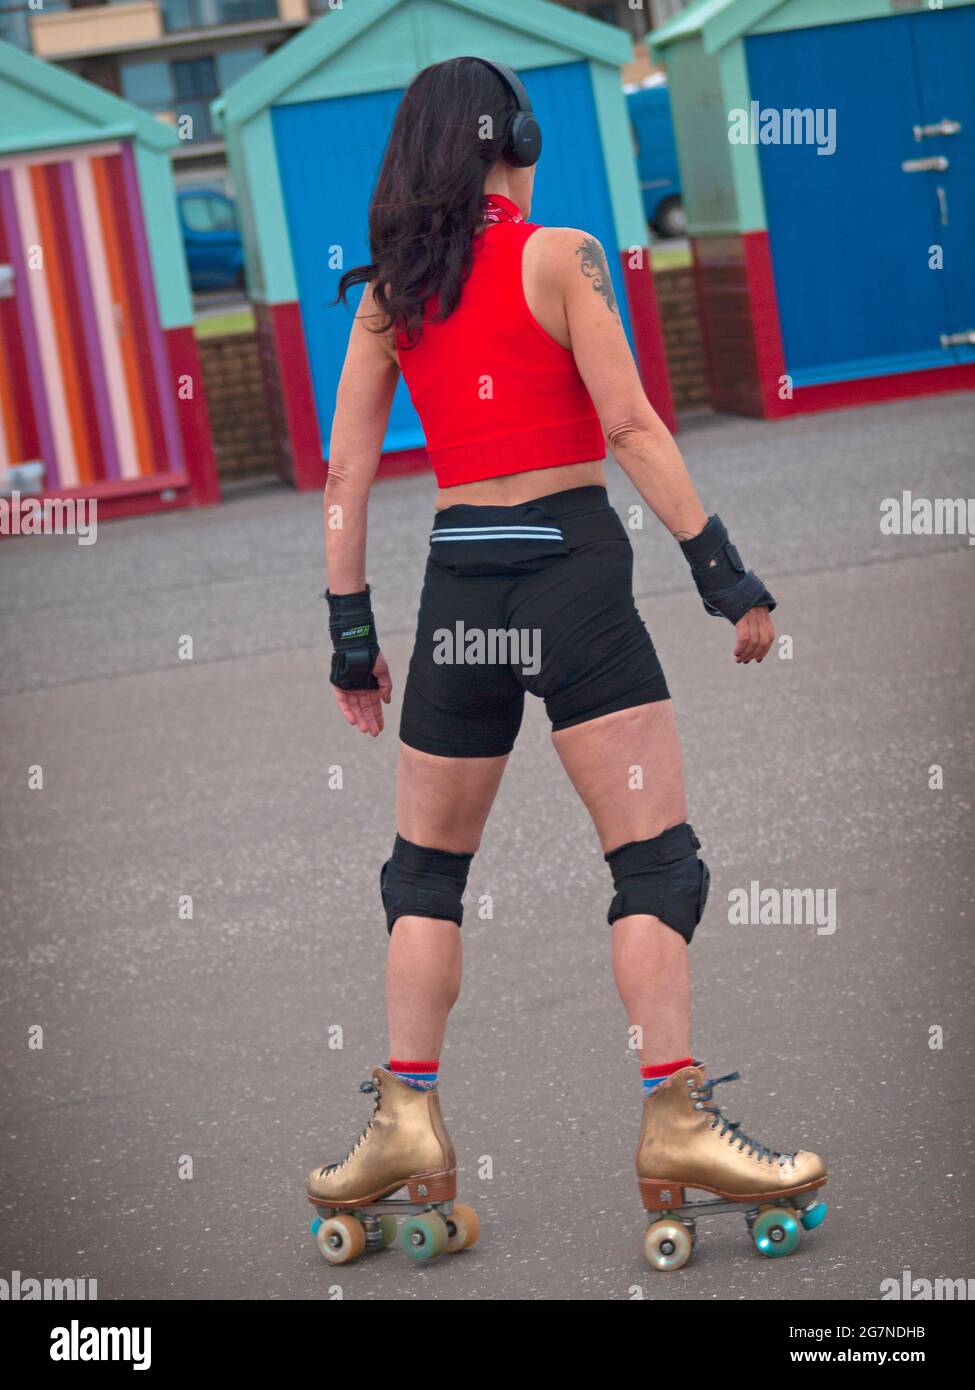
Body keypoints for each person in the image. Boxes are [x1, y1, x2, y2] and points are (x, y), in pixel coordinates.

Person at [307, 57, 827, 1270]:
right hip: (575, 574)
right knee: (654, 859)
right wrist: (723, 574)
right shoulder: (565, 253)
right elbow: (633, 424)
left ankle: (403, 1126)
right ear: (518, 139)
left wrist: (352, 637)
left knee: (425, 875)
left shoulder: (391, 293)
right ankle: (679, 1119)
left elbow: (344, 480)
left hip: (459, 587)